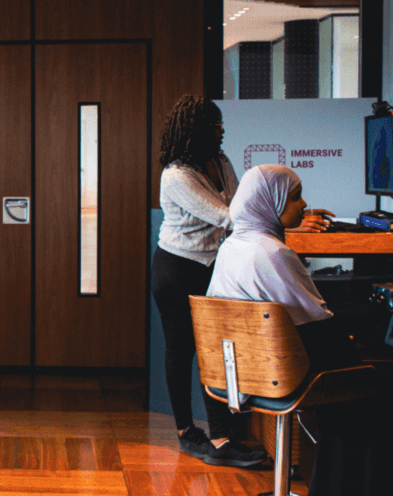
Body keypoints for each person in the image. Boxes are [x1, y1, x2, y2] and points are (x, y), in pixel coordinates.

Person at [151, 95, 334, 468]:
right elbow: (229, 216)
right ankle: (192, 433)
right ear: (195, 129)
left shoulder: (220, 161)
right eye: (215, 125)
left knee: (218, 349)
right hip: (178, 268)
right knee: (182, 349)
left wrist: (282, 213)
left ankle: (222, 435)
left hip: (214, 264)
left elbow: (243, 204)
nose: (221, 130)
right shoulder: (176, 175)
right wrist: (290, 217)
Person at [207, 164, 391, 495]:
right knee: (375, 382)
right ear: (269, 202)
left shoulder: (230, 249)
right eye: (295, 198)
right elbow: (325, 331)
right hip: (285, 377)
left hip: (240, 377)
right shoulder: (274, 253)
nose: (304, 205)